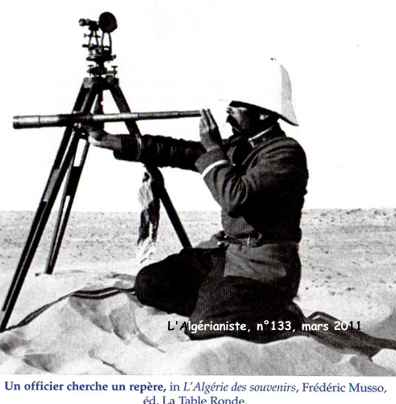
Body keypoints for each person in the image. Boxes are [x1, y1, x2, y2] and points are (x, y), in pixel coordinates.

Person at [86, 61, 309, 342]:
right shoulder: (241, 145)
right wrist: (113, 141)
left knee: (206, 326)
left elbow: (234, 198)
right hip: (226, 256)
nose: (228, 115)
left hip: (262, 269)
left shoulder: (285, 154)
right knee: (149, 285)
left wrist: (214, 147)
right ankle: (223, 301)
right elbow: (183, 152)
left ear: (264, 115)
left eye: (236, 108)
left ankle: (282, 316)